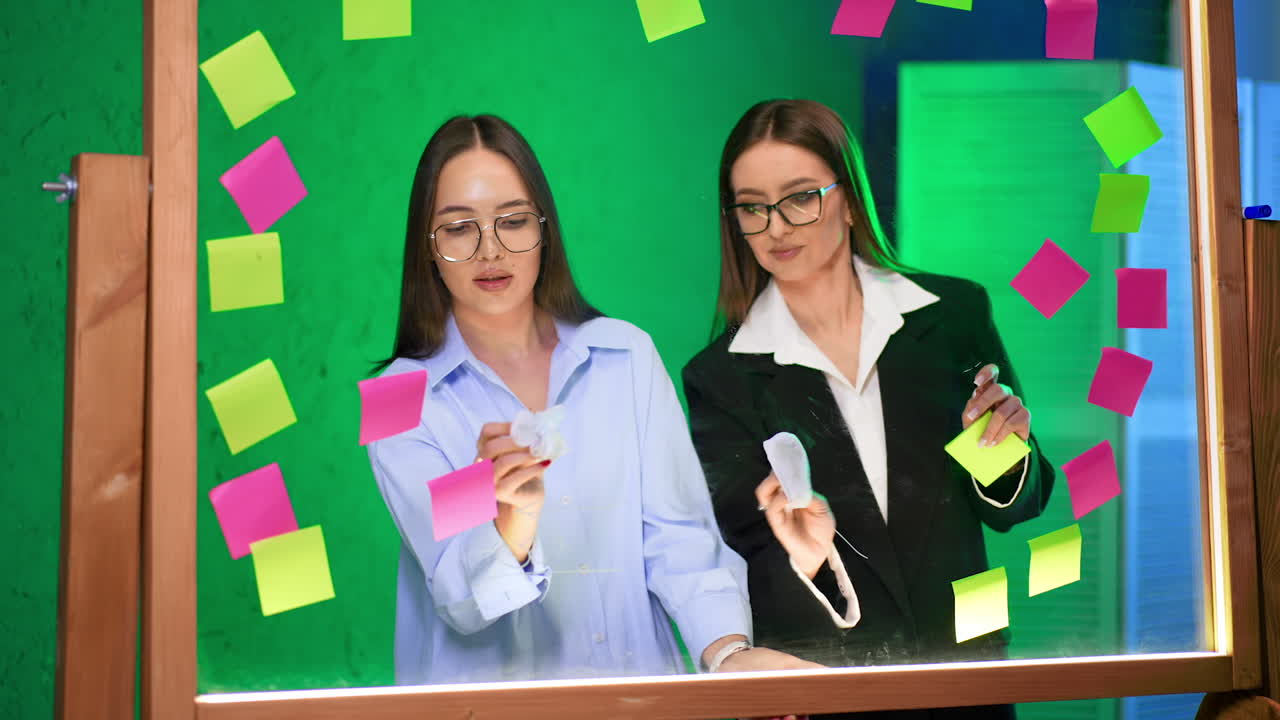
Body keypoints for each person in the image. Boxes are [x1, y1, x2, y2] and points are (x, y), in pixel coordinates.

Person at [367, 114, 818, 686]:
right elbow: (457, 595)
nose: (491, 250)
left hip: (639, 704)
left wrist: (727, 653)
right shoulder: (395, 400)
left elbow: (678, 536)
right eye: (458, 228)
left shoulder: (624, 355)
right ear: (427, 247)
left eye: (513, 221)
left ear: (544, 230)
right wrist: (510, 520)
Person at [682, 99, 1056, 719]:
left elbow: (1020, 506)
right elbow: (754, 556)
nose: (776, 226)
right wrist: (812, 555)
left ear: (850, 200)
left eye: (800, 197)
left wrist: (1004, 455)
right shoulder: (720, 376)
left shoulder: (952, 316)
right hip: (821, 689)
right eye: (752, 207)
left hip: (962, 683)